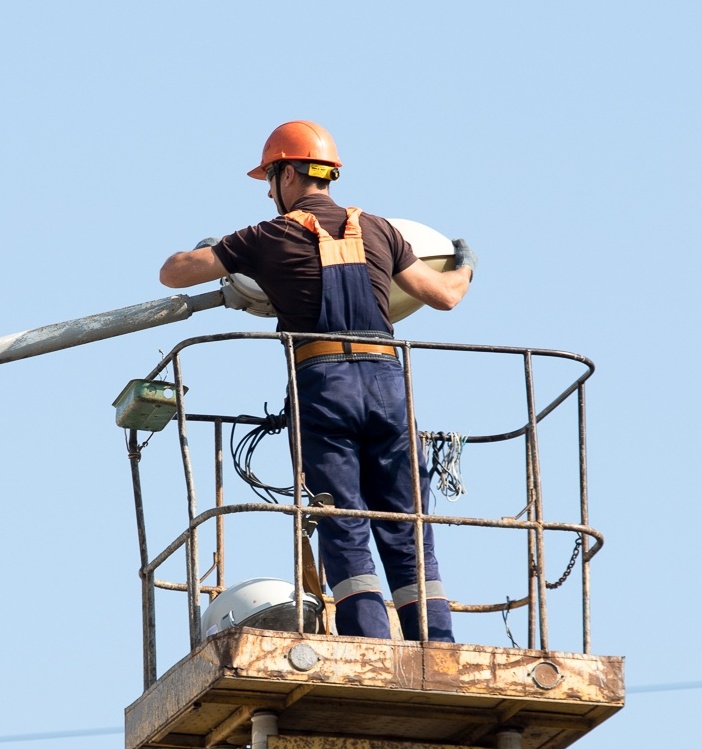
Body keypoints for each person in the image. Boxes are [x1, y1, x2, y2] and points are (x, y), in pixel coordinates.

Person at [157, 120, 476, 642]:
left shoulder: (267, 236)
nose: (267, 191)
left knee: (343, 519)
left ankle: (369, 641)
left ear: (286, 174)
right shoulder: (380, 230)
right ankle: (436, 642)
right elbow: (444, 295)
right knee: (407, 523)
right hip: (388, 386)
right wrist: (465, 264)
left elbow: (173, 273)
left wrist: (213, 249)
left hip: (324, 387)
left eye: (269, 178)